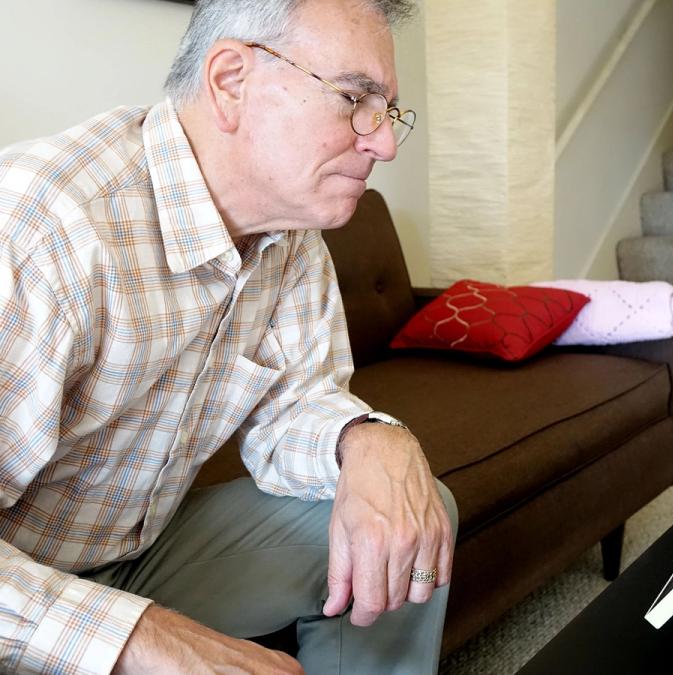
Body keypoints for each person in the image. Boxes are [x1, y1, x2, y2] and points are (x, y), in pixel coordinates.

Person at [0, 0, 456, 673]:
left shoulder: (295, 237)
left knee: (404, 514)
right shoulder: (44, 227)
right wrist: (142, 637)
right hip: (23, 592)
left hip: (140, 552)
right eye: (356, 98)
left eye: (388, 109)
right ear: (231, 81)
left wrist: (370, 436)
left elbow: (295, 405)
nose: (383, 142)